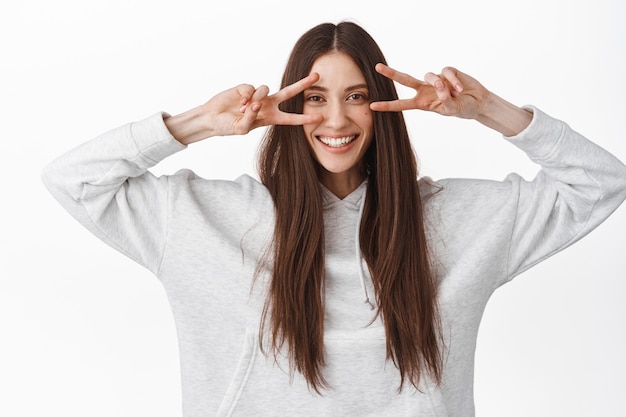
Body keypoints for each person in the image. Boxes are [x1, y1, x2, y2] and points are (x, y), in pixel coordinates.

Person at [42, 21, 626, 417]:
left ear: (384, 106)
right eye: (316, 97)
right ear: (293, 106)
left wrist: (489, 112)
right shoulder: (204, 217)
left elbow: (603, 183)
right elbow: (73, 180)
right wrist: (199, 123)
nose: (336, 118)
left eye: (355, 95)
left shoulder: (456, 220)